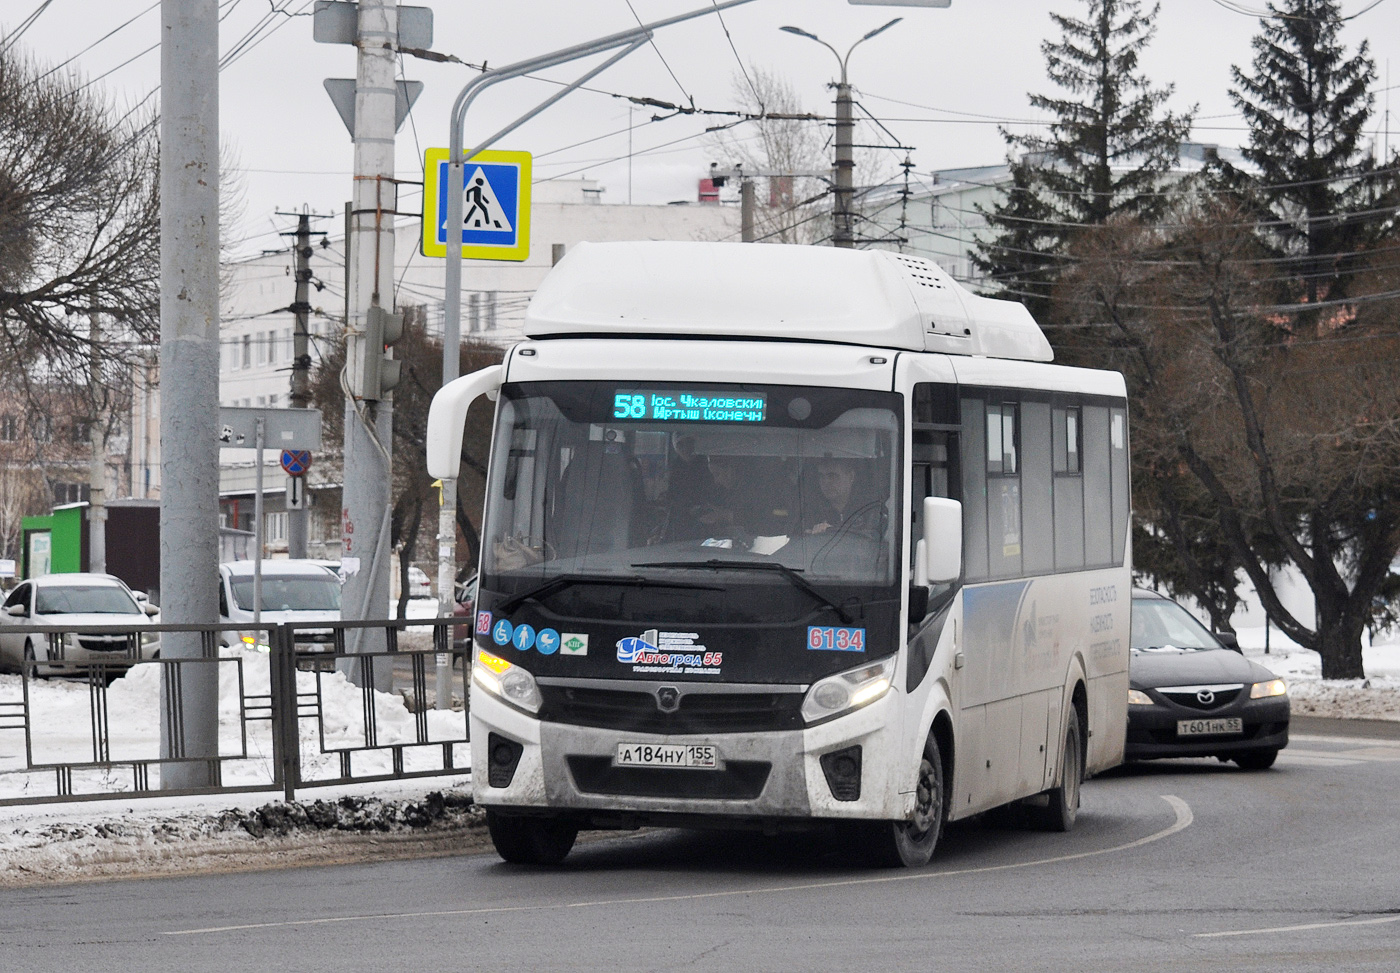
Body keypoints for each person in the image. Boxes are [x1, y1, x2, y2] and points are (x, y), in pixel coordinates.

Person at [804, 458, 878, 536]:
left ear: (851, 477)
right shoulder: (811, 511)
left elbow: (875, 539)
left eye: (832, 476)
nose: (825, 482)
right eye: (821, 476)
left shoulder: (869, 509)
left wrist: (831, 530)